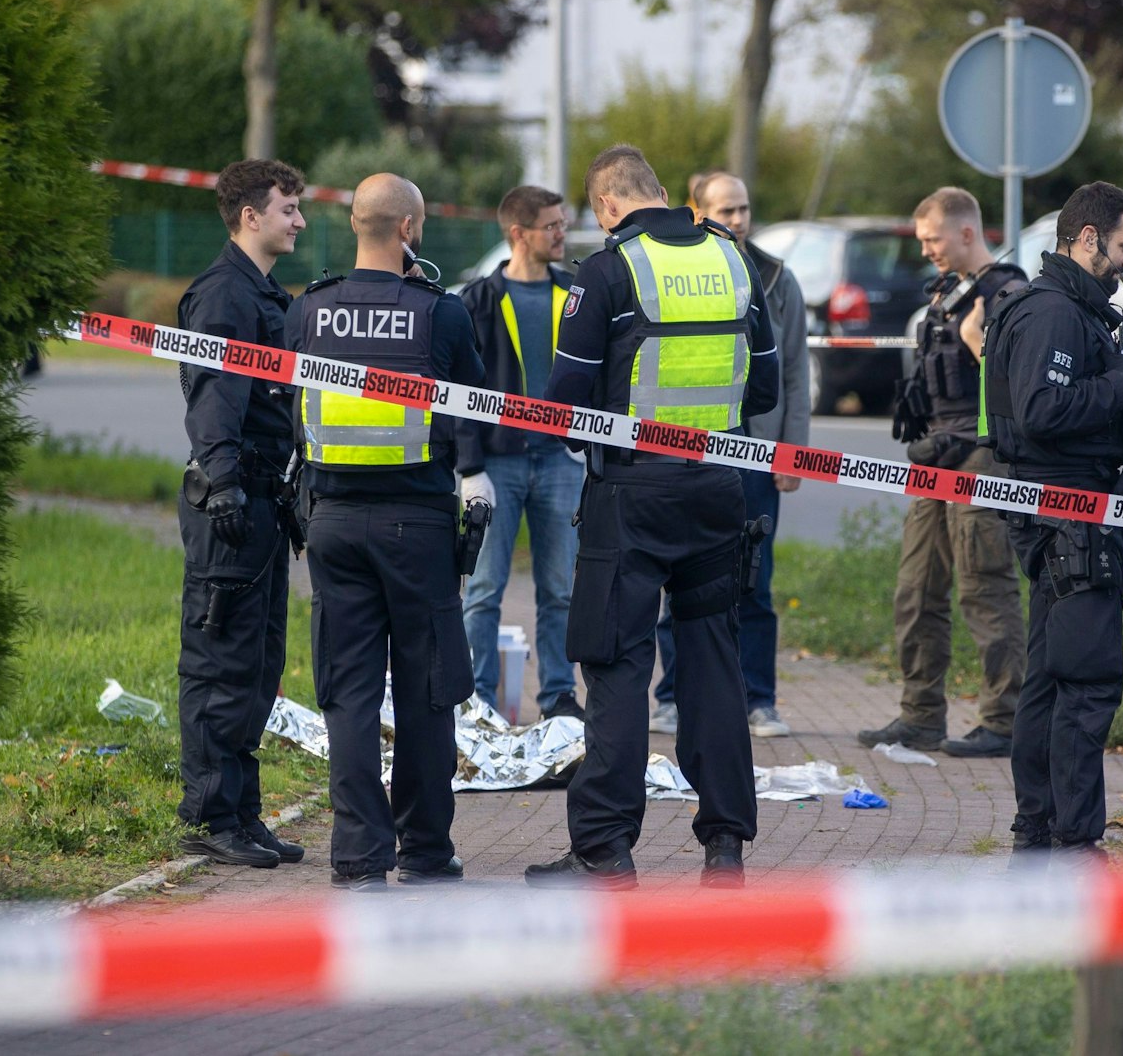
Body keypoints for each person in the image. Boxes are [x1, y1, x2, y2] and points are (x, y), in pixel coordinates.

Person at [525, 145, 780, 890]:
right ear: (665, 193)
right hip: (717, 490)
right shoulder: (734, 261)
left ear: (604, 206)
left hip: (629, 498)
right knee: (712, 666)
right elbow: (762, 387)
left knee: (615, 666)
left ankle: (605, 851)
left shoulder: (606, 272)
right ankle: (726, 845)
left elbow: (566, 403)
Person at [285, 173, 487, 891]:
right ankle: (426, 849)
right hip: (417, 525)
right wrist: (473, 475)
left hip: (332, 522)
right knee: (427, 691)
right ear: (409, 228)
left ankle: (359, 854)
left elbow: (290, 408)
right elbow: (476, 411)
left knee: (351, 693)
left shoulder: (308, 309)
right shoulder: (442, 314)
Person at [979, 181, 1123, 860]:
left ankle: (1039, 831)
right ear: (1086, 240)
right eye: (1122, 248)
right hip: (1068, 514)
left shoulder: (1074, 311)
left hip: (1069, 512)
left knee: (1053, 678)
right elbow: (1043, 412)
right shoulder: (1054, 314)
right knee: (1084, 683)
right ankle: (1072, 840)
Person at [858, 187, 1028, 758]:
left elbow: (1021, 387)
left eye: (932, 239)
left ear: (965, 232)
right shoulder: (946, 293)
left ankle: (1003, 721)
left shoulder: (1009, 292)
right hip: (937, 452)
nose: (926, 249)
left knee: (985, 588)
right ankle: (920, 716)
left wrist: (978, 341)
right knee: (916, 588)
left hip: (983, 453)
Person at [173, 158, 308, 869]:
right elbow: (214, 393)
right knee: (219, 661)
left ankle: (240, 811)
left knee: (258, 663)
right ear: (251, 215)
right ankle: (207, 814)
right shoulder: (225, 295)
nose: (300, 220)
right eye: (289, 207)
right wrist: (224, 480)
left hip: (260, 499)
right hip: (229, 499)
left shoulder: (262, 292)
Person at [648, 170, 810, 740]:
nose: (738, 220)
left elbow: (794, 366)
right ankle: (671, 696)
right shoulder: (681, 268)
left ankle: (759, 699)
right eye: (727, 210)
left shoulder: (775, 275)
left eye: (744, 209)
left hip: (758, 448)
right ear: (699, 211)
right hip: (692, 445)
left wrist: (793, 449)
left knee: (754, 580)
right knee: (681, 574)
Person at [456, 185, 585, 722]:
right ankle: (477, 701)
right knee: (484, 588)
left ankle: (558, 696)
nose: (562, 234)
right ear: (519, 233)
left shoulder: (575, 293)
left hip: (561, 461)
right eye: (552, 226)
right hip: (499, 464)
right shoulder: (477, 300)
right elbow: (458, 390)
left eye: (562, 223)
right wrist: (470, 468)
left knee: (560, 588)